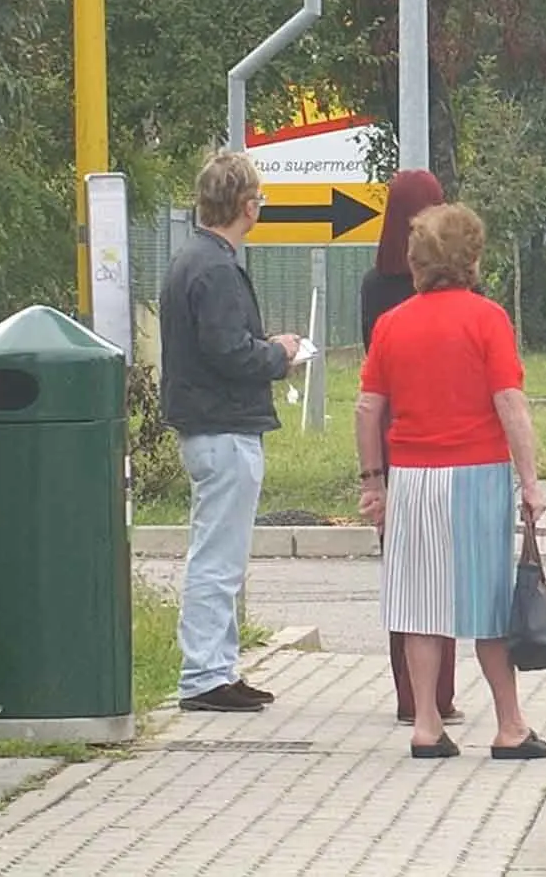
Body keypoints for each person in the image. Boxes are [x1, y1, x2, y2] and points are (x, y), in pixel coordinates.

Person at [356, 203, 546, 761]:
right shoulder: (487, 319)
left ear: (418, 261)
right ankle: (509, 726)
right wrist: (530, 481)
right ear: (471, 258)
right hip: (477, 478)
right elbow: (510, 403)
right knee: (489, 605)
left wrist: (375, 483)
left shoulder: (391, 325)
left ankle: (425, 725)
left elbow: (368, 409)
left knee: (422, 605)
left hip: (413, 481)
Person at [159, 150, 305, 713]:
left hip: (205, 422)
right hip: (223, 425)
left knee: (220, 553)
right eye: (259, 200)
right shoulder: (217, 268)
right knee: (218, 557)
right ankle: (202, 675)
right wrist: (278, 354)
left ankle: (218, 667)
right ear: (248, 207)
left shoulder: (190, 259)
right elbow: (228, 351)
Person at [359, 169, 462, 727]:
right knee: (443, 572)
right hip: (446, 440)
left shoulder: (375, 289)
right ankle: (440, 696)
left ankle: (409, 696)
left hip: (391, 439)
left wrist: (369, 473)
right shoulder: (460, 296)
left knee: (402, 571)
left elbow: (368, 388)